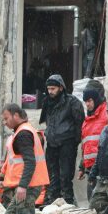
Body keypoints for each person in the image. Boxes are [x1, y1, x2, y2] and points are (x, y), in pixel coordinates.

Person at [0, 104, 49, 214]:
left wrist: (22, 186)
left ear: (15, 115)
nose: (4, 122)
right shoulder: (23, 131)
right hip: (27, 184)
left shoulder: (23, 134)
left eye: (6, 118)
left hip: (28, 185)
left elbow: (30, 162)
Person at [39, 74, 84, 205]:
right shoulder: (47, 102)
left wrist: (74, 141)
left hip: (67, 143)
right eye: (49, 89)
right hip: (52, 143)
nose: (50, 92)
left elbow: (79, 123)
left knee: (65, 176)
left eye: (53, 88)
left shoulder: (72, 102)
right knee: (52, 176)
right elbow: (48, 122)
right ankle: (51, 203)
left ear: (60, 87)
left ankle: (68, 203)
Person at [78, 86, 108, 203]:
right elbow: (85, 146)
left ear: (96, 100)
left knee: (102, 203)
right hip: (91, 169)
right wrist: (82, 167)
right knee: (92, 202)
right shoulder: (87, 120)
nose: (87, 104)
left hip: (105, 167)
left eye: (90, 101)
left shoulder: (107, 114)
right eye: (85, 101)